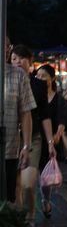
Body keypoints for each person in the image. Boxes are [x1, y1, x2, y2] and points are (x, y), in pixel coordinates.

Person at [10, 45, 55, 227]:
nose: (17, 61)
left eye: (21, 58)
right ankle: (19, 221)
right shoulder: (7, 80)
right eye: (13, 58)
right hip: (11, 138)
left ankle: (29, 222)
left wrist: (50, 142)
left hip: (33, 138)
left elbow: (44, 115)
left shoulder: (38, 84)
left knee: (29, 185)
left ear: (30, 61)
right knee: (15, 185)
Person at [2, 37, 36, 205]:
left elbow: (26, 112)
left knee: (8, 198)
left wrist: (26, 146)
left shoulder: (18, 75)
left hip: (10, 148)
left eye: (6, 45)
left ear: (9, 49)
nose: (5, 49)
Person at [34, 64, 67, 220]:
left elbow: (62, 120)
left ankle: (45, 200)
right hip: (34, 137)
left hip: (50, 141)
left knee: (43, 173)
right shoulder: (33, 95)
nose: (40, 79)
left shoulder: (59, 99)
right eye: (38, 75)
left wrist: (57, 135)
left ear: (52, 79)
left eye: (44, 76)